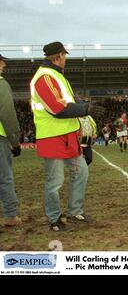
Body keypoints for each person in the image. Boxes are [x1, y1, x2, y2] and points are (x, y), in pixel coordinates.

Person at [30, 41, 105, 231]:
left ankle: (74, 211)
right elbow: (56, 108)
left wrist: (81, 105)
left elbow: (66, 101)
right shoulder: (44, 77)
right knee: (55, 182)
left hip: (67, 135)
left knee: (81, 172)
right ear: (58, 56)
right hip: (52, 136)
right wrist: (85, 109)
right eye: (64, 55)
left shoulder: (56, 76)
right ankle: (54, 220)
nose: (65, 59)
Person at [0, 53, 22, 227]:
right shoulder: (1, 84)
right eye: (1, 61)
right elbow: (7, 114)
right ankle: (10, 216)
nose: (4, 65)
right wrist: (15, 141)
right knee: (5, 178)